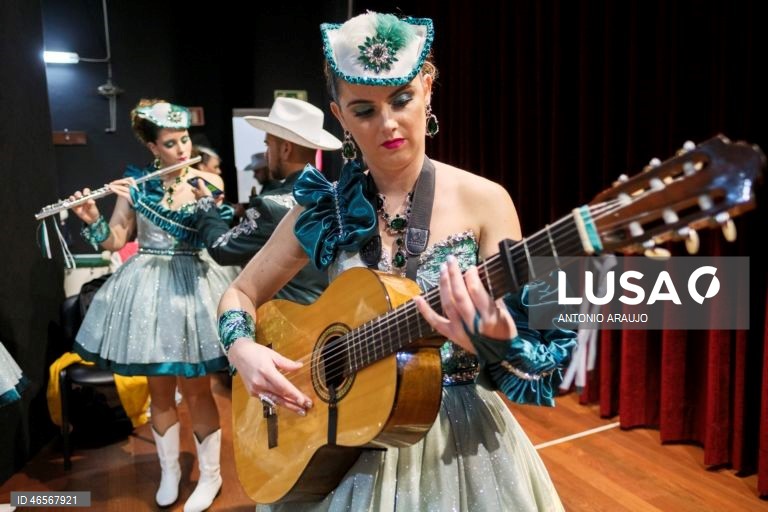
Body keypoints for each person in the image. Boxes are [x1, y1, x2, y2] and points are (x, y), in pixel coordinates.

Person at [217, 12, 577, 511]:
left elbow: (536, 360)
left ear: (427, 88)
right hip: (339, 442)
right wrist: (241, 349)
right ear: (339, 116)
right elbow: (240, 292)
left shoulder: (486, 200)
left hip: (457, 441)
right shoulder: (322, 206)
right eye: (364, 110)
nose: (387, 123)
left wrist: (499, 341)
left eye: (401, 99)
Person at [69, 99, 238, 512]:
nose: (182, 149)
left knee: (197, 390)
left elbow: (215, 235)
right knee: (158, 391)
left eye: (185, 140)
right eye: (170, 143)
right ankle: (170, 471)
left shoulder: (207, 182)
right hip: (148, 292)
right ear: (152, 147)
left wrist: (204, 200)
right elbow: (116, 239)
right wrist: (91, 218)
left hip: (192, 289)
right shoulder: (135, 184)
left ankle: (211, 476)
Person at [193, 97, 339, 304]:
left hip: (292, 318)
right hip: (336, 312)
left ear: (286, 149)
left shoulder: (270, 206)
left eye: (268, 145)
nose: (266, 154)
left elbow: (221, 247)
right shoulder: (337, 197)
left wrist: (205, 204)